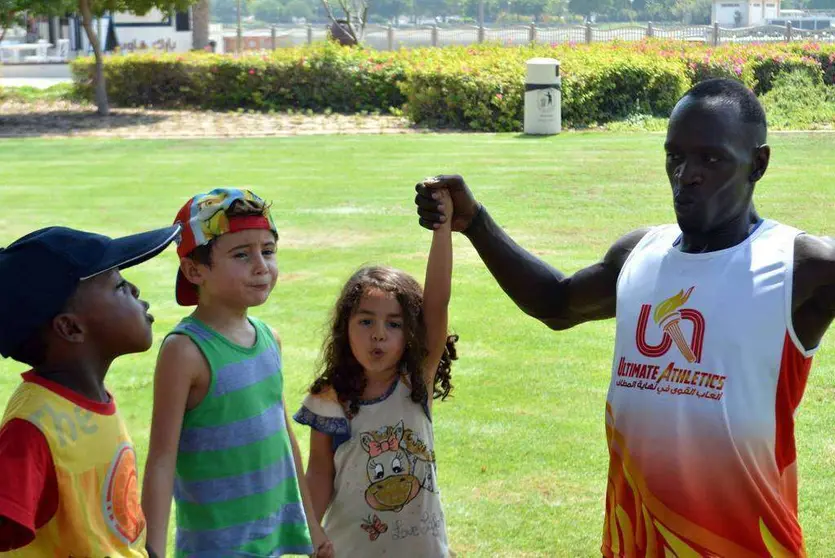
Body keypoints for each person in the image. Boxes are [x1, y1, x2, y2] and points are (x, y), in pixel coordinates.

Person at [414, 78, 835, 556]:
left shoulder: (800, 267)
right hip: (634, 543)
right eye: (674, 156)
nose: (686, 174)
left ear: (758, 163)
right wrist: (475, 223)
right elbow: (556, 303)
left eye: (711, 159)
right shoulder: (639, 254)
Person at [141, 188, 331, 558]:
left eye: (268, 250)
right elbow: (162, 459)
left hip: (272, 536)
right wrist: (153, 551)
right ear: (194, 270)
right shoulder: (185, 351)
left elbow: (284, 437)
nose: (262, 266)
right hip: (217, 546)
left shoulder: (268, 339)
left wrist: (312, 526)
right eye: (242, 254)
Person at [293, 188, 457, 557]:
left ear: (411, 332)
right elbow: (319, 473)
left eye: (394, 324)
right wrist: (312, 534)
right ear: (344, 327)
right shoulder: (329, 396)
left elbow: (437, 301)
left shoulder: (416, 382)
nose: (379, 333)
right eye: (366, 320)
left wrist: (441, 229)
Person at [0, 224, 180, 556]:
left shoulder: (89, 398)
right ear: (70, 327)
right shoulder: (32, 429)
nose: (137, 290)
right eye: (121, 287)